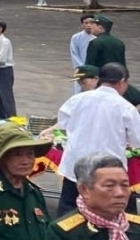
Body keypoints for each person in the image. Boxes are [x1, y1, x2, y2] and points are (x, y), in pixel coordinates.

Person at [53, 62, 140, 216]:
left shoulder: (78, 99)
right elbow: (136, 140)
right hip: (107, 170)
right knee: (106, 212)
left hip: (76, 165)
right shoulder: (125, 107)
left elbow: (63, 124)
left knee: (68, 211)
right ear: (122, 82)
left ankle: (63, 239)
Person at [69, 13, 94, 94]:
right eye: (86, 23)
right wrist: (81, 67)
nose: (89, 25)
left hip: (95, 68)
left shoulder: (97, 37)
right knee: (80, 89)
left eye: (91, 22)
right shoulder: (76, 37)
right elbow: (74, 54)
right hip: (81, 68)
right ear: (82, 24)